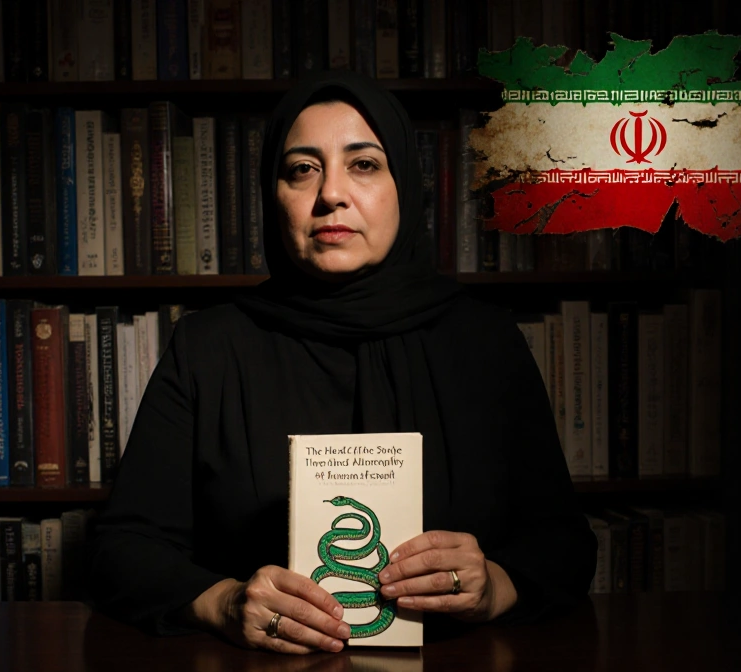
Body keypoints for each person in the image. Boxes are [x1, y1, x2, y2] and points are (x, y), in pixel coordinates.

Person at [86, 70, 597, 655]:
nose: (331, 192)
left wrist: (495, 586)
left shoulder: (485, 340)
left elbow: (565, 545)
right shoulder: (208, 346)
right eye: (303, 169)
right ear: (272, 195)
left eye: (364, 164)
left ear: (405, 186)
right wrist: (224, 602)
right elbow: (120, 551)